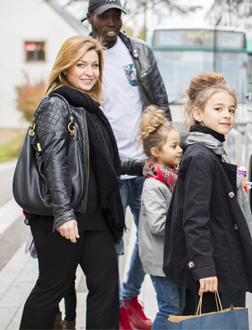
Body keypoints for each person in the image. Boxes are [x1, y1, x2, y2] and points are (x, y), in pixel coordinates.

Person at [19, 35, 142, 330]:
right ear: (65, 68)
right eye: (81, 64)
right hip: (61, 216)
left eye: (95, 65)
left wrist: (143, 166)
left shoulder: (90, 108)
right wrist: (64, 213)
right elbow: (54, 163)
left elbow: (105, 164)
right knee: (52, 289)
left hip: (95, 215)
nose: (90, 71)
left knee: (106, 288)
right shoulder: (56, 105)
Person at [163, 71, 252, 330]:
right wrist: (205, 269)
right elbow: (194, 219)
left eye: (231, 109)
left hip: (222, 253)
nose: (227, 115)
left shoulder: (213, 152)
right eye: (218, 108)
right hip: (215, 260)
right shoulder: (201, 156)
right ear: (198, 113)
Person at [83, 1, 172, 329]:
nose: (111, 22)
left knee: (154, 237)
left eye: (116, 15)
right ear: (90, 16)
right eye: (104, 15)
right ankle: (108, 306)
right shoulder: (84, 56)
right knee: (110, 245)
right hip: (106, 168)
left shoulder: (141, 52)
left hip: (144, 164)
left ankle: (128, 298)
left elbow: (160, 103)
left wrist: (164, 153)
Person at [137, 106, 185, 329]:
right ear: (155, 151)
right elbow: (157, 225)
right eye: (173, 146)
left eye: (179, 145)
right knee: (170, 308)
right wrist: (187, 222)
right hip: (160, 260)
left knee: (180, 305)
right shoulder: (153, 184)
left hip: (173, 256)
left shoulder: (172, 177)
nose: (180, 150)